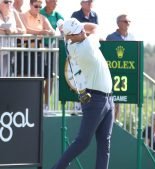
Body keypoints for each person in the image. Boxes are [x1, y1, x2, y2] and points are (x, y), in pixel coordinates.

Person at [52, 18, 114, 169]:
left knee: (105, 142)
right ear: (71, 37)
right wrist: (69, 26)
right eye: (78, 32)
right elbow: (96, 28)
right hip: (96, 100)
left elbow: (75, 31)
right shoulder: (86, 47)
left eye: (81, 29)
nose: (82, 33)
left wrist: (64, 25)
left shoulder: (72, 42)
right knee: (82, 141)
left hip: (108, 99)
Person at [106, 14, 134, 122]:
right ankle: (108, 121)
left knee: (120, 98)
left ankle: (115, 121)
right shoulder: (111, 37)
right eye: (125, 21)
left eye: (129, 21)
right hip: (113, 71)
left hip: (126, 72)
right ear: (118, 23)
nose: (128, 24)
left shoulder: (132, 37)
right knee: (112, 97)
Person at [40, 0, 64, 109]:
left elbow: (63, 28)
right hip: (38, 49)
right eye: (53, 1)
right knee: (39, 77)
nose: (55, 3)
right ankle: (38, 103)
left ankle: (46, 105)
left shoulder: (58, 14)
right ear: (47, 1)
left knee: (50, 77)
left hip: (51, 50)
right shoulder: (39, 11)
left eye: (56, 1)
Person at [0, 0, 26, 77]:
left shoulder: (14, 13)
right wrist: (5, 32)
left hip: (8, 51)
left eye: (10, 2)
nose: (9, 4)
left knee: (5, 77)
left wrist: (13, 31)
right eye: (6, 2)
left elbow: (23, 30)